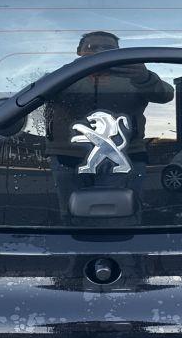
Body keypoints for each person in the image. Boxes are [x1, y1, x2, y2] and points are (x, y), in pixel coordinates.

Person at [45, 32, 174, 223]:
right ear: (79, 51)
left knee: (123, 216)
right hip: (67, 156)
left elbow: (166, 95)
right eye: (92, 48)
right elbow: (36, 94)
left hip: (126, 155)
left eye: (108, 49)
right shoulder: (63, 76)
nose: (100, 52)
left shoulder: (134, 77)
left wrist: (145, 78)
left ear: (118, 52)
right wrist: (72, 70)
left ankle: (124, 242)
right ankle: (76, 242)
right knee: (71, 215)